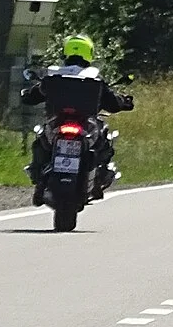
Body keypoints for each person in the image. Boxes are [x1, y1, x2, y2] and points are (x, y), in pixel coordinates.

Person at [21, 34, 133, 204]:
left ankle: (40, 180)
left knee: (41, 139)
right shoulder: (94, 78)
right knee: (105, 140)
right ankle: (97, 180)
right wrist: (124, 102)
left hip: (58, 124)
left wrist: (27, 94)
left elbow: (34, 95)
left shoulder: (55, 75)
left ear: (66, 51)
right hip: (86, 126)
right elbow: (112, 103)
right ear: (89, 52)